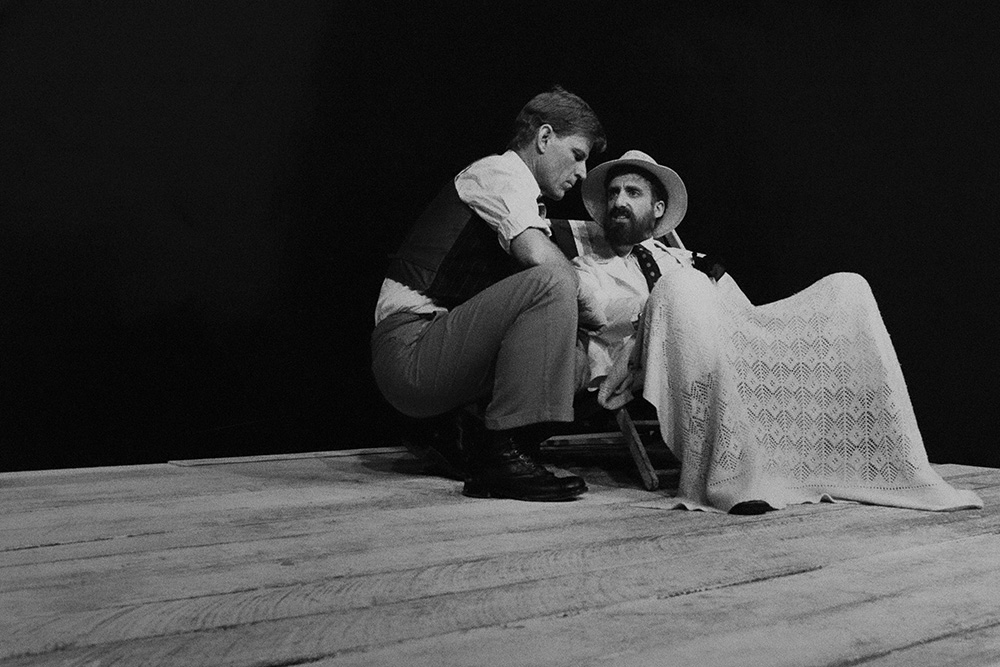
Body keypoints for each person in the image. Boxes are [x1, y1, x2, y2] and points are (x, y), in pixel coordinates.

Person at [573, 150, 983, 514]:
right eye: (613, 193)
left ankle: (865, 462)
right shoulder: (587, 268)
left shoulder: (689, 260)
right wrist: (666, 301)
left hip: (727, 346)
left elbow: (742, 313)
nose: (618, 202)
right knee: (682, 287)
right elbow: (597, 313)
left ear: (658, 208)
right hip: (645, 359)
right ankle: (730, 474)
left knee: (847, 287)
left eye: (632, 192)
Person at [371, 86, 606, 502]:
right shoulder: (499, 173)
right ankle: (504, 461)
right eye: (578, 155)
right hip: (409, 350)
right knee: (553, 283)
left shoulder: (526, 198)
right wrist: (592, 304)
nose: (583, 172)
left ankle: (480, 441)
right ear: (545, 137)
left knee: (578, 356)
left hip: (443, 349)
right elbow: (543, 263)